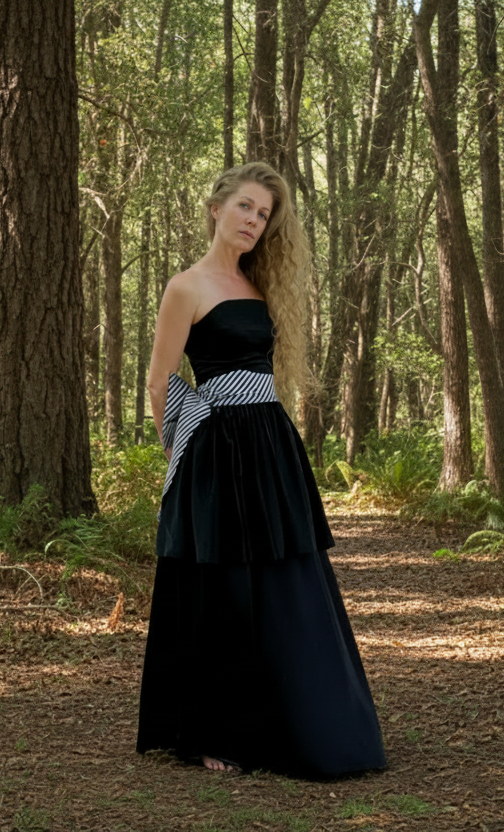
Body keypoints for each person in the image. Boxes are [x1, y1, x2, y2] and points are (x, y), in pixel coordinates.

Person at [136, 161, 386, 778]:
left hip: (270, 442)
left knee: (287, 577)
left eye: (264, 213)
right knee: (223, 586)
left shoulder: (258, 286)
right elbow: (159, 381)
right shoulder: (186, 287)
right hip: (215, 450)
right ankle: (214, 730)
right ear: (216, 208)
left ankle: (304, 719)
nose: (254, 220)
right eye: (245, 206)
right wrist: (183, 452)